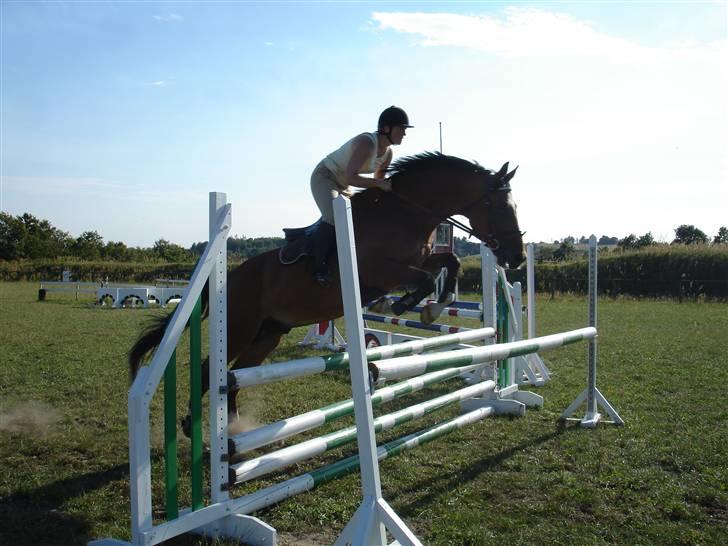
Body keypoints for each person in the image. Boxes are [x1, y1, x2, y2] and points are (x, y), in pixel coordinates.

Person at [309, 105, 413, 285]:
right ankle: (319, 268)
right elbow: (352, 176)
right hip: (325, 177)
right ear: (387, 128)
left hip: (344, 185)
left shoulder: (388, 153)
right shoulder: (367, 143)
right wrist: (380, 184)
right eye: (401, 128)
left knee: (362, 217)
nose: (404, 133)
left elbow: (379, 183)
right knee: (337, 216)